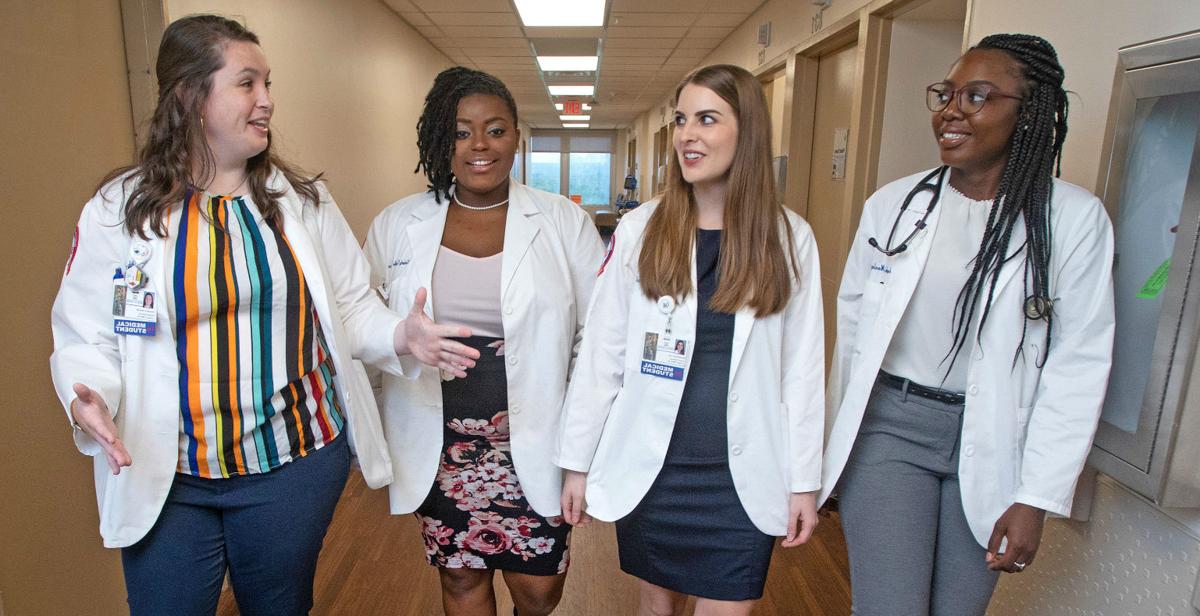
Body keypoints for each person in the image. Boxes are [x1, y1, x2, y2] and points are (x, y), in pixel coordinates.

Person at [49, 15, 476, 616]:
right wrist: (85, 393)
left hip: (290, 464)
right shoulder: (119, 210)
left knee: (279, 605)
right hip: (166, 469)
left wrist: (400, 333)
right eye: (247, 84)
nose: (267, 101)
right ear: (190, 96)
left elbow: (351, 306)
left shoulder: (300, 203)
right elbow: (86, 332)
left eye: (268, 83)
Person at [820, 34, 1115, 615]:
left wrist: (1035, 497)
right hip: (890, 428)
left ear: (1028, 113)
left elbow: (1077, 365)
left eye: (977, 96)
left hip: (996, 433)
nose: (951, 110)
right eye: (947, 94)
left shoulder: (1073, 221)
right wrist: (830, 454)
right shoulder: (893, 205)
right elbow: (852, 337)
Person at [556, 64, 825, 616]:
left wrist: (805, 483)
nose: (687, 135)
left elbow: (803, 369)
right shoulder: (641, 230)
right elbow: (602, 357)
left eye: (707, 119)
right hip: (655, 469)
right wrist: (576, 464)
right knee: (656, 608)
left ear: (746, 131)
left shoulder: (788, 237)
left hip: (743, 475)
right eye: (682, 120)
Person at [365, 66, 604, 616]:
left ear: (517, 136)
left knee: (539, 589)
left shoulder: (563, 221)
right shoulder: (397, 223)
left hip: (540, 434)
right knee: (458, 579)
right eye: (461, 131)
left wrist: (586, 444)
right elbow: (367, 323)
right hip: (442, 438)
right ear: (438, 141)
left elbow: (598, 336)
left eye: (496, 130)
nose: (479, 146)